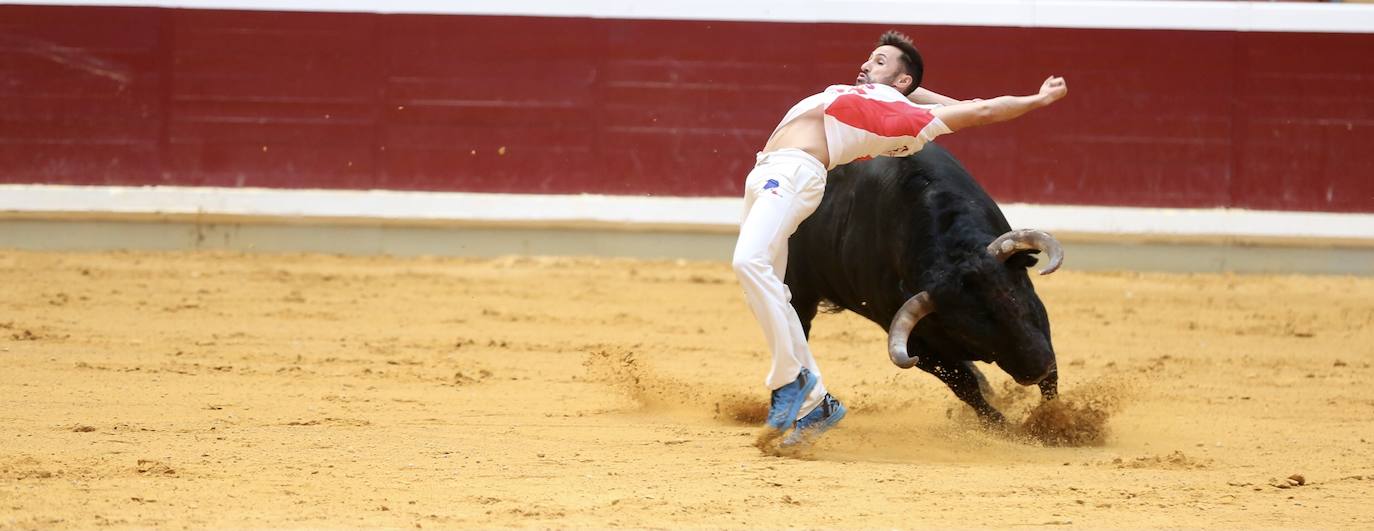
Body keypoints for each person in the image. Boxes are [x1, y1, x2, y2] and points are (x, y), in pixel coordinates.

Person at [733, 30, 1068, 450]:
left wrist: (1036, 101)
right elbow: (926, 93)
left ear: (900, 82)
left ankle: (792, 385)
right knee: (768, 294)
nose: (865, 65)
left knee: (749, 264)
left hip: (796, 172)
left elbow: (980, 110)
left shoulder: (901, 119)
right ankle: (815, 400)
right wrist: (900, 84)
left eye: (878, 61)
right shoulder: (867, 95)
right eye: (869, 58)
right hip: (763, 174)